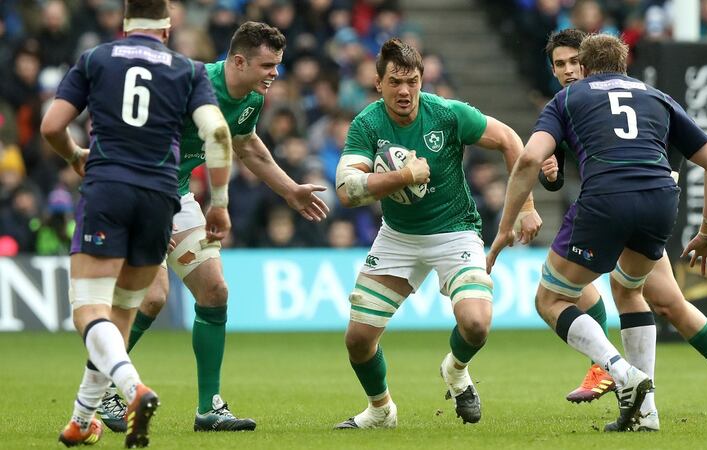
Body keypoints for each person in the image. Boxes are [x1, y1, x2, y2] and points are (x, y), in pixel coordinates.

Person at [487, 33, 707, 432]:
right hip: (660, 201)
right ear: (624, 65)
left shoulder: (569, 98)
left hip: (607, 199)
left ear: (584, 67)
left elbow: (531, 156)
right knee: (630, 290)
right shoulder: (658, 97)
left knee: (551, 298)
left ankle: (620, 373)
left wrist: (504, 226)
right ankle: (646, 413)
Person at [96, 21, 330, 433]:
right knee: (153, 297)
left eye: (278, 64)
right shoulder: (185, 85)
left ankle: (209, 409)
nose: (275, 73)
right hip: (136, 187)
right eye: (267, 65)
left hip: (178, 194)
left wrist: (290, 190)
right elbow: (135, 140)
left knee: (214, 290)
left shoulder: (252, 98)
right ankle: (98, 390)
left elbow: (247, 145)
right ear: (238, 61)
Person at [40, 0, 233, 447]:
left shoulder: (96, 59)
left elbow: (52, 125)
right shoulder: (188, 70)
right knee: (124, 311)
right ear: (166, 28)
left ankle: (132, 388)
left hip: (108, 188)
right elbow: (219, 134)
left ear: (125, 25)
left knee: (89, 309)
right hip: (161, 198)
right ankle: (81, 419)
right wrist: (218, 203)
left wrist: (73, 157)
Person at [332, 38, 535, 429]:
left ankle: (456, 371)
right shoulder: (367, 124)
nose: (404, 91)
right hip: (397, 238)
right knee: (358, 339)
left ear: (423, 80)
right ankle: (380, 411)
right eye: (395, 82)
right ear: (378, 84)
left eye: (412, 81)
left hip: (455, 232)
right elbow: (346, 190)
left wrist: (525, 208)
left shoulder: (446, 114)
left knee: (476, 324)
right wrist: (405, 176)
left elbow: (510, 140)